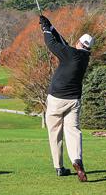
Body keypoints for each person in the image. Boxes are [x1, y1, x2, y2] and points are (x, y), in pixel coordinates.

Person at [39, 15, 93, 182]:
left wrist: (45, 30)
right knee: (73, 131)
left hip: (57, 99)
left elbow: (53, 45)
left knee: (55, 133)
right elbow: (64, 45)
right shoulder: (83, 57)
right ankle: (77, 160)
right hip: (74, 101)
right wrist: (52, 27)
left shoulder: (71, 54)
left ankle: (59, 167)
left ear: (79, 43)